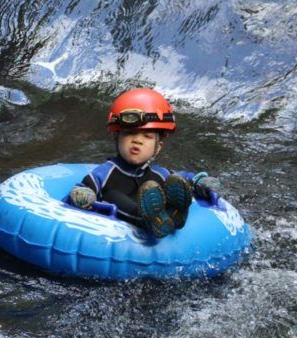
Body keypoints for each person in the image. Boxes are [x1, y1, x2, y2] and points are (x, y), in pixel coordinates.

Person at [68, 88, 221, 239]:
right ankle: (149, 220)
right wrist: (82, 195)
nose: (137, 140)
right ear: (116, 137)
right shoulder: (106, 171)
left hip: (161, 213)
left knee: (172, 182)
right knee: (111, 195)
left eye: (147, 136)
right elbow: (83, 188)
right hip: (131, 215)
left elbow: (184, 178)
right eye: (129, 133)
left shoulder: (159, 174)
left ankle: (174, 214)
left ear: (158, 147)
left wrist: (200, 182)